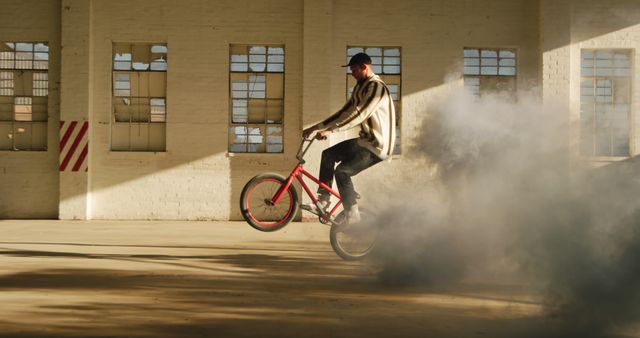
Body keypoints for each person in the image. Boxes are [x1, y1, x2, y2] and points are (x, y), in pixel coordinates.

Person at [303, 52, 396, 224]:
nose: (352, 73)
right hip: (365, 141)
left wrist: (331, 131)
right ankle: (323, 202)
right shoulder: (361, 87)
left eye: (354, 70)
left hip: (378, 146)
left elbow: (359, 114)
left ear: (364, 67)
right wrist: (315, 127)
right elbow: (344, 112)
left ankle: (354, 217)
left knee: (342, 172)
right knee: (328, 154)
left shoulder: (377, 88)